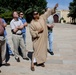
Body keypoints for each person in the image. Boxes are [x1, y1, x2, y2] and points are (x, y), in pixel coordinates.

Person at [29, 4, 58, 71]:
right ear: (33, 15)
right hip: (37, 39)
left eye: (37, 13)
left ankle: (41, 62)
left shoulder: (42, 17)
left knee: (43, 51)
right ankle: (32, 64)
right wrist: (38, 31)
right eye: (34, 14)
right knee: (35, 51)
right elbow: (32, 33)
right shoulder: (32, 23)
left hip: (44, 39)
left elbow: (49, 12)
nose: (36, 15)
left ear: (38, 14)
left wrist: (55, 8)